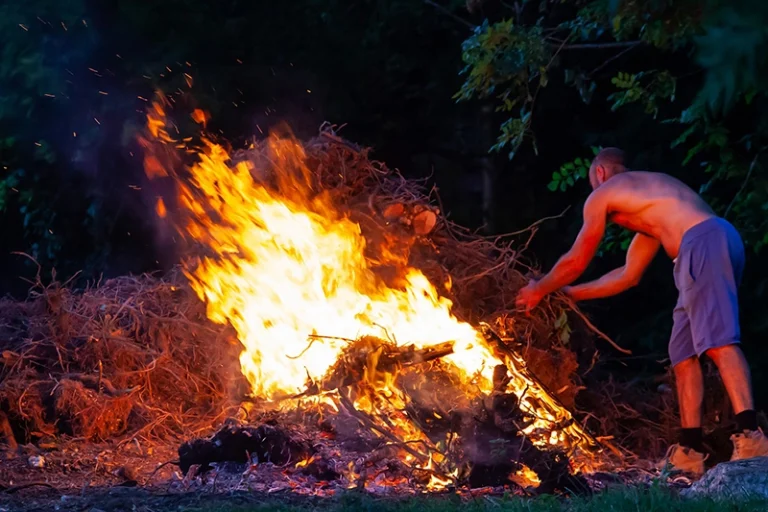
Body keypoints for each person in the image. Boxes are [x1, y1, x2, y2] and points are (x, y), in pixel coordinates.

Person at [515, 147, 768, 476]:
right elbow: (627, 275)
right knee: (683, 355)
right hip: (705, 246)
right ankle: (690, 452)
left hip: (704, 243)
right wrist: (569, 294)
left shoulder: (604, 194)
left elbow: (578, 257)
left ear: (601, 173)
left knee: (719, 342)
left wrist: (539, 288)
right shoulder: (652, 206)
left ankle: (752, 437)